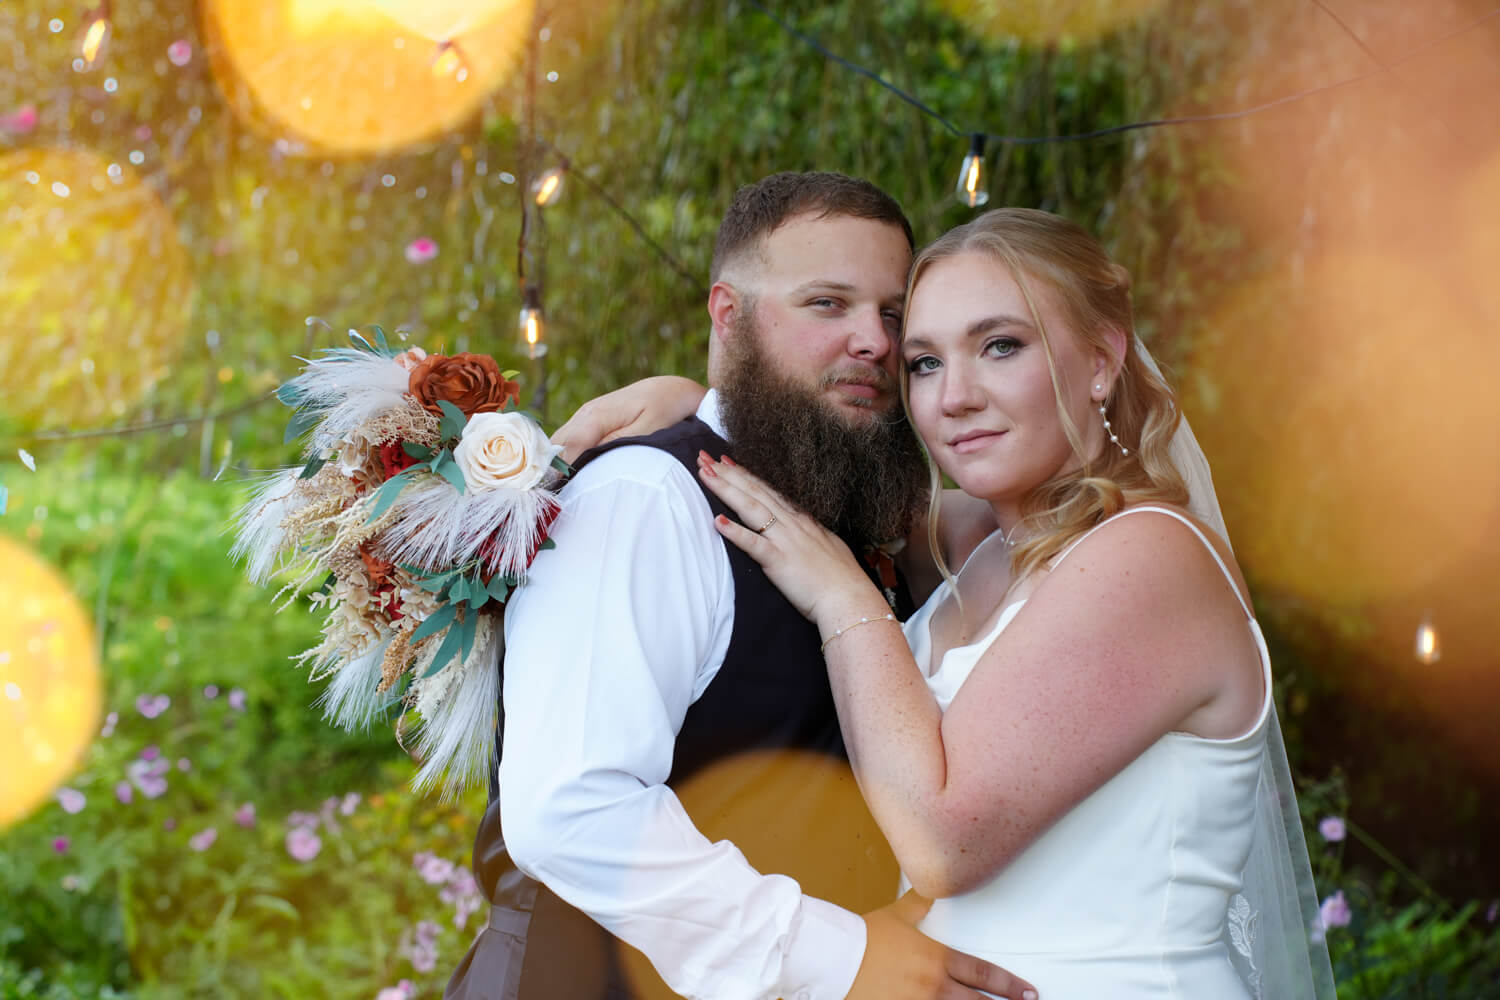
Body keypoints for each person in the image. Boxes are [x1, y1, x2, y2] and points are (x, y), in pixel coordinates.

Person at [603, 207, 1336, 998]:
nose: (954, 397)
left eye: (1000, 346)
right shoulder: (988, 544)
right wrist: (695, 405)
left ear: (1100, 359)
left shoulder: (1148, 557)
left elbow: (942, 839)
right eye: (923, 363)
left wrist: (846, 600)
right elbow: (810, 484)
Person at [445, 173, 1037, 1000]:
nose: (874, 339)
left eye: (893, 313)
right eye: (827, 304)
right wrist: (842, 956)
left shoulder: (850, 506)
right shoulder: (644, 498)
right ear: (729, 315)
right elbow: (572, 808)